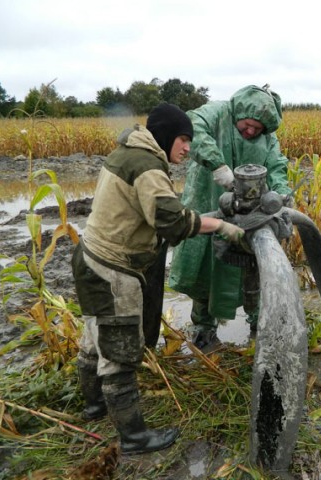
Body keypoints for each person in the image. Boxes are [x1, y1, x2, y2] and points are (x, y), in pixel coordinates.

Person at [72, 103, 244, 455]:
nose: (187, 148)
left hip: (89, 257)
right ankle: (134, 437)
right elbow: (173, 222)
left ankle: (94, 407)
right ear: (165, 135)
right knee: (120, 353)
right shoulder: (148, 166)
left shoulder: (127, 152)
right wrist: (221, 225)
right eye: (183, 139)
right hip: (113, 268)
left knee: (93, 335)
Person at [168, 85, 292, 348]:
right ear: (240, 113)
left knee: (255, 268)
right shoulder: (216, 113)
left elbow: (277, 165)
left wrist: (280, 194)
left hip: (251, 215)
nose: (251, 131)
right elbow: (191, 125)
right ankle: (204, 330)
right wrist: (217, 164)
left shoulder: (268, 138)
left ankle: (261, 327)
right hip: (207, 201)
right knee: (205, 272)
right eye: (248, 125)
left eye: (257, 130)